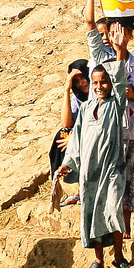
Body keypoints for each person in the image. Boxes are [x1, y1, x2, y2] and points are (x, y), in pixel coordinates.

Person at [84, 0, 134, 237]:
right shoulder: (100, 58)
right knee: (108, 178)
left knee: (129, 179)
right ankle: (104, 228)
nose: (115, 37)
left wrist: (133, 95)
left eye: (121, 32)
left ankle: (123, 226)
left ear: (129, 35)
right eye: (112, 32)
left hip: (131, 129)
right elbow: (89, 23)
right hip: (104, 129)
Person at [65, 46, 133, 268]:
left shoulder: (116, 104)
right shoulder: (85, 109)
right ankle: (98, 261)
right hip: (89, 173)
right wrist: (68, 163)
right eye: (95, 83)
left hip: (112, 168)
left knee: (113, 209)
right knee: (92, 212)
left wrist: (120, 49)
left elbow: (121, 80)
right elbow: (76, 140)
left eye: (103, 82)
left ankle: (119, 256)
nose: (99, 87)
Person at [48, 59, 90, 210]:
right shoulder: (78, 99)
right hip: (81, 137)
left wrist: (75, 140)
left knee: (70, 138)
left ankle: (85, 188)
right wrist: (66, 90)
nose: (82, 83)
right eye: (76, 81)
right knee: (62, 134)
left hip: (97, 137)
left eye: (83, 78)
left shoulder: (99, 93)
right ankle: (73, 185)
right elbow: (66, 124)